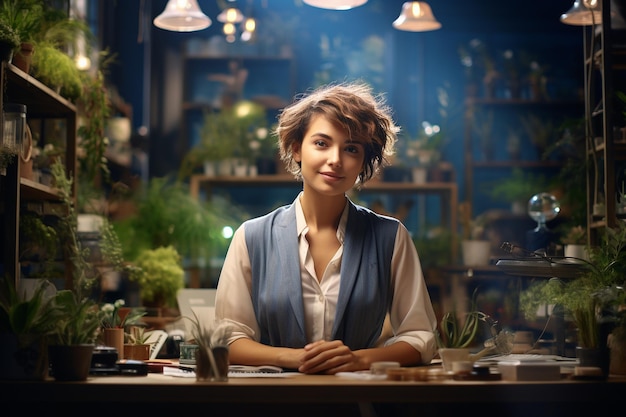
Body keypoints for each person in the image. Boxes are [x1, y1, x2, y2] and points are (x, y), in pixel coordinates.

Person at [214, 81, 437, 374]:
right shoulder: (252, 236)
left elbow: (420, 337)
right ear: (296, 149)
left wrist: (359, 360)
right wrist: (293, 359)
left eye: (351, 149)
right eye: (321, 143)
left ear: (362, 163)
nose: (335, 160)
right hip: (272, 403)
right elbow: (227, 339)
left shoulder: (391, 237)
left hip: (359, 405)